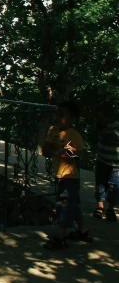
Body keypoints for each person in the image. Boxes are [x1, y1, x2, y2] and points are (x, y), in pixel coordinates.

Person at [42, 101, 92, 249]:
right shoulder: (53, 131)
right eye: (57, 114)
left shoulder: (74, 135)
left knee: (63, 205)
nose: (58, 118)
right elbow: (45, 150)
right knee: (73, 204)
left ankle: (60, 236)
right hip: (60, 175)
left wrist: (71, 154)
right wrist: (56, 152)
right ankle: (83, 231)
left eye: (62, 115)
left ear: (72, 119)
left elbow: (83, 155)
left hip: (70, 176)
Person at [92, 105, 119, 221]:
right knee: (100, 183)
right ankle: (100, 206)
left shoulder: (116, 128)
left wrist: (102, 131)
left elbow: (110, 138)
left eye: (101, 118)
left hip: (116, 165)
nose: (99, 120)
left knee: (115, 186)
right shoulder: (100, 127)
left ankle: (110, 208)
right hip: (101, 160)